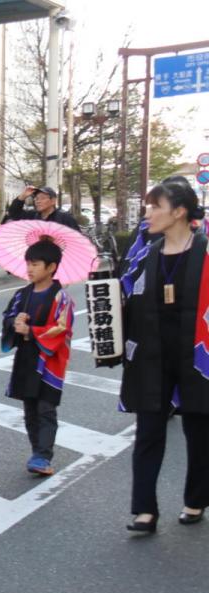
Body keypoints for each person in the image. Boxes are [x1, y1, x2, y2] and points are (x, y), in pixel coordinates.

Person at [117, 176, 209, 536]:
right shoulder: (146, 253)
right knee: (148, 432)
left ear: (181, 211)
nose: (149, 213)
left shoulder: (205, 250)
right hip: (153, 354)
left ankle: (196, 499)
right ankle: (144, 510)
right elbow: (124, 295)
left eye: (156, 206)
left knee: (199, 433)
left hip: (198, 356)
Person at [0, 240, 74, 477]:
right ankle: (37, 452)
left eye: (35, 264)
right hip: (26, 358)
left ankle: (43, 455)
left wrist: (31, 331)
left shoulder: (61, 298)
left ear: (52, 267)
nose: (30, 269)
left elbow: (62, 328)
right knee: (30, 408)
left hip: (49, 362)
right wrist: (14, 322)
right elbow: (8, 316)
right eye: (28, 264)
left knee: (45, 408)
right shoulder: (22, 294)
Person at [7, 186, 80, 230]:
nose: (38, 201)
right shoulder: (33, 215)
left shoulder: (65, 218)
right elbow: (14, 213)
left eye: (42, 198)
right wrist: (23, 196)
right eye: (36, 198)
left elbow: (77, 239)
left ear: (53, 201)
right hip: (37, 254)